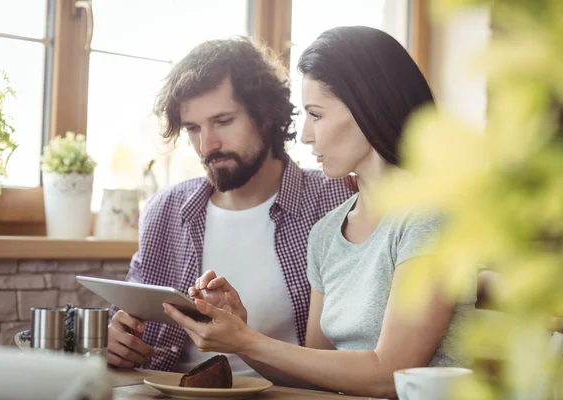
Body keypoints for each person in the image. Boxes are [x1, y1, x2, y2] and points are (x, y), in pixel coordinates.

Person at [162, 26, 476, 399]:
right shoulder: (327, 232)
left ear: (367, 106)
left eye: (316, 114)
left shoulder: (429, 214)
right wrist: (240, 334)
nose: (306, 135)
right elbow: (315, 373)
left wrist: (250, 341)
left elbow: (390, 373)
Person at [106, 37, 356, 374]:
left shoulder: (333, 199)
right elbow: (130, 320)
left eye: (223, 122)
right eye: (193, 128)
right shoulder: (166, 209)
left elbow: (355, 350)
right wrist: (117, 341)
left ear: (265, 116)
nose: (207, 145)